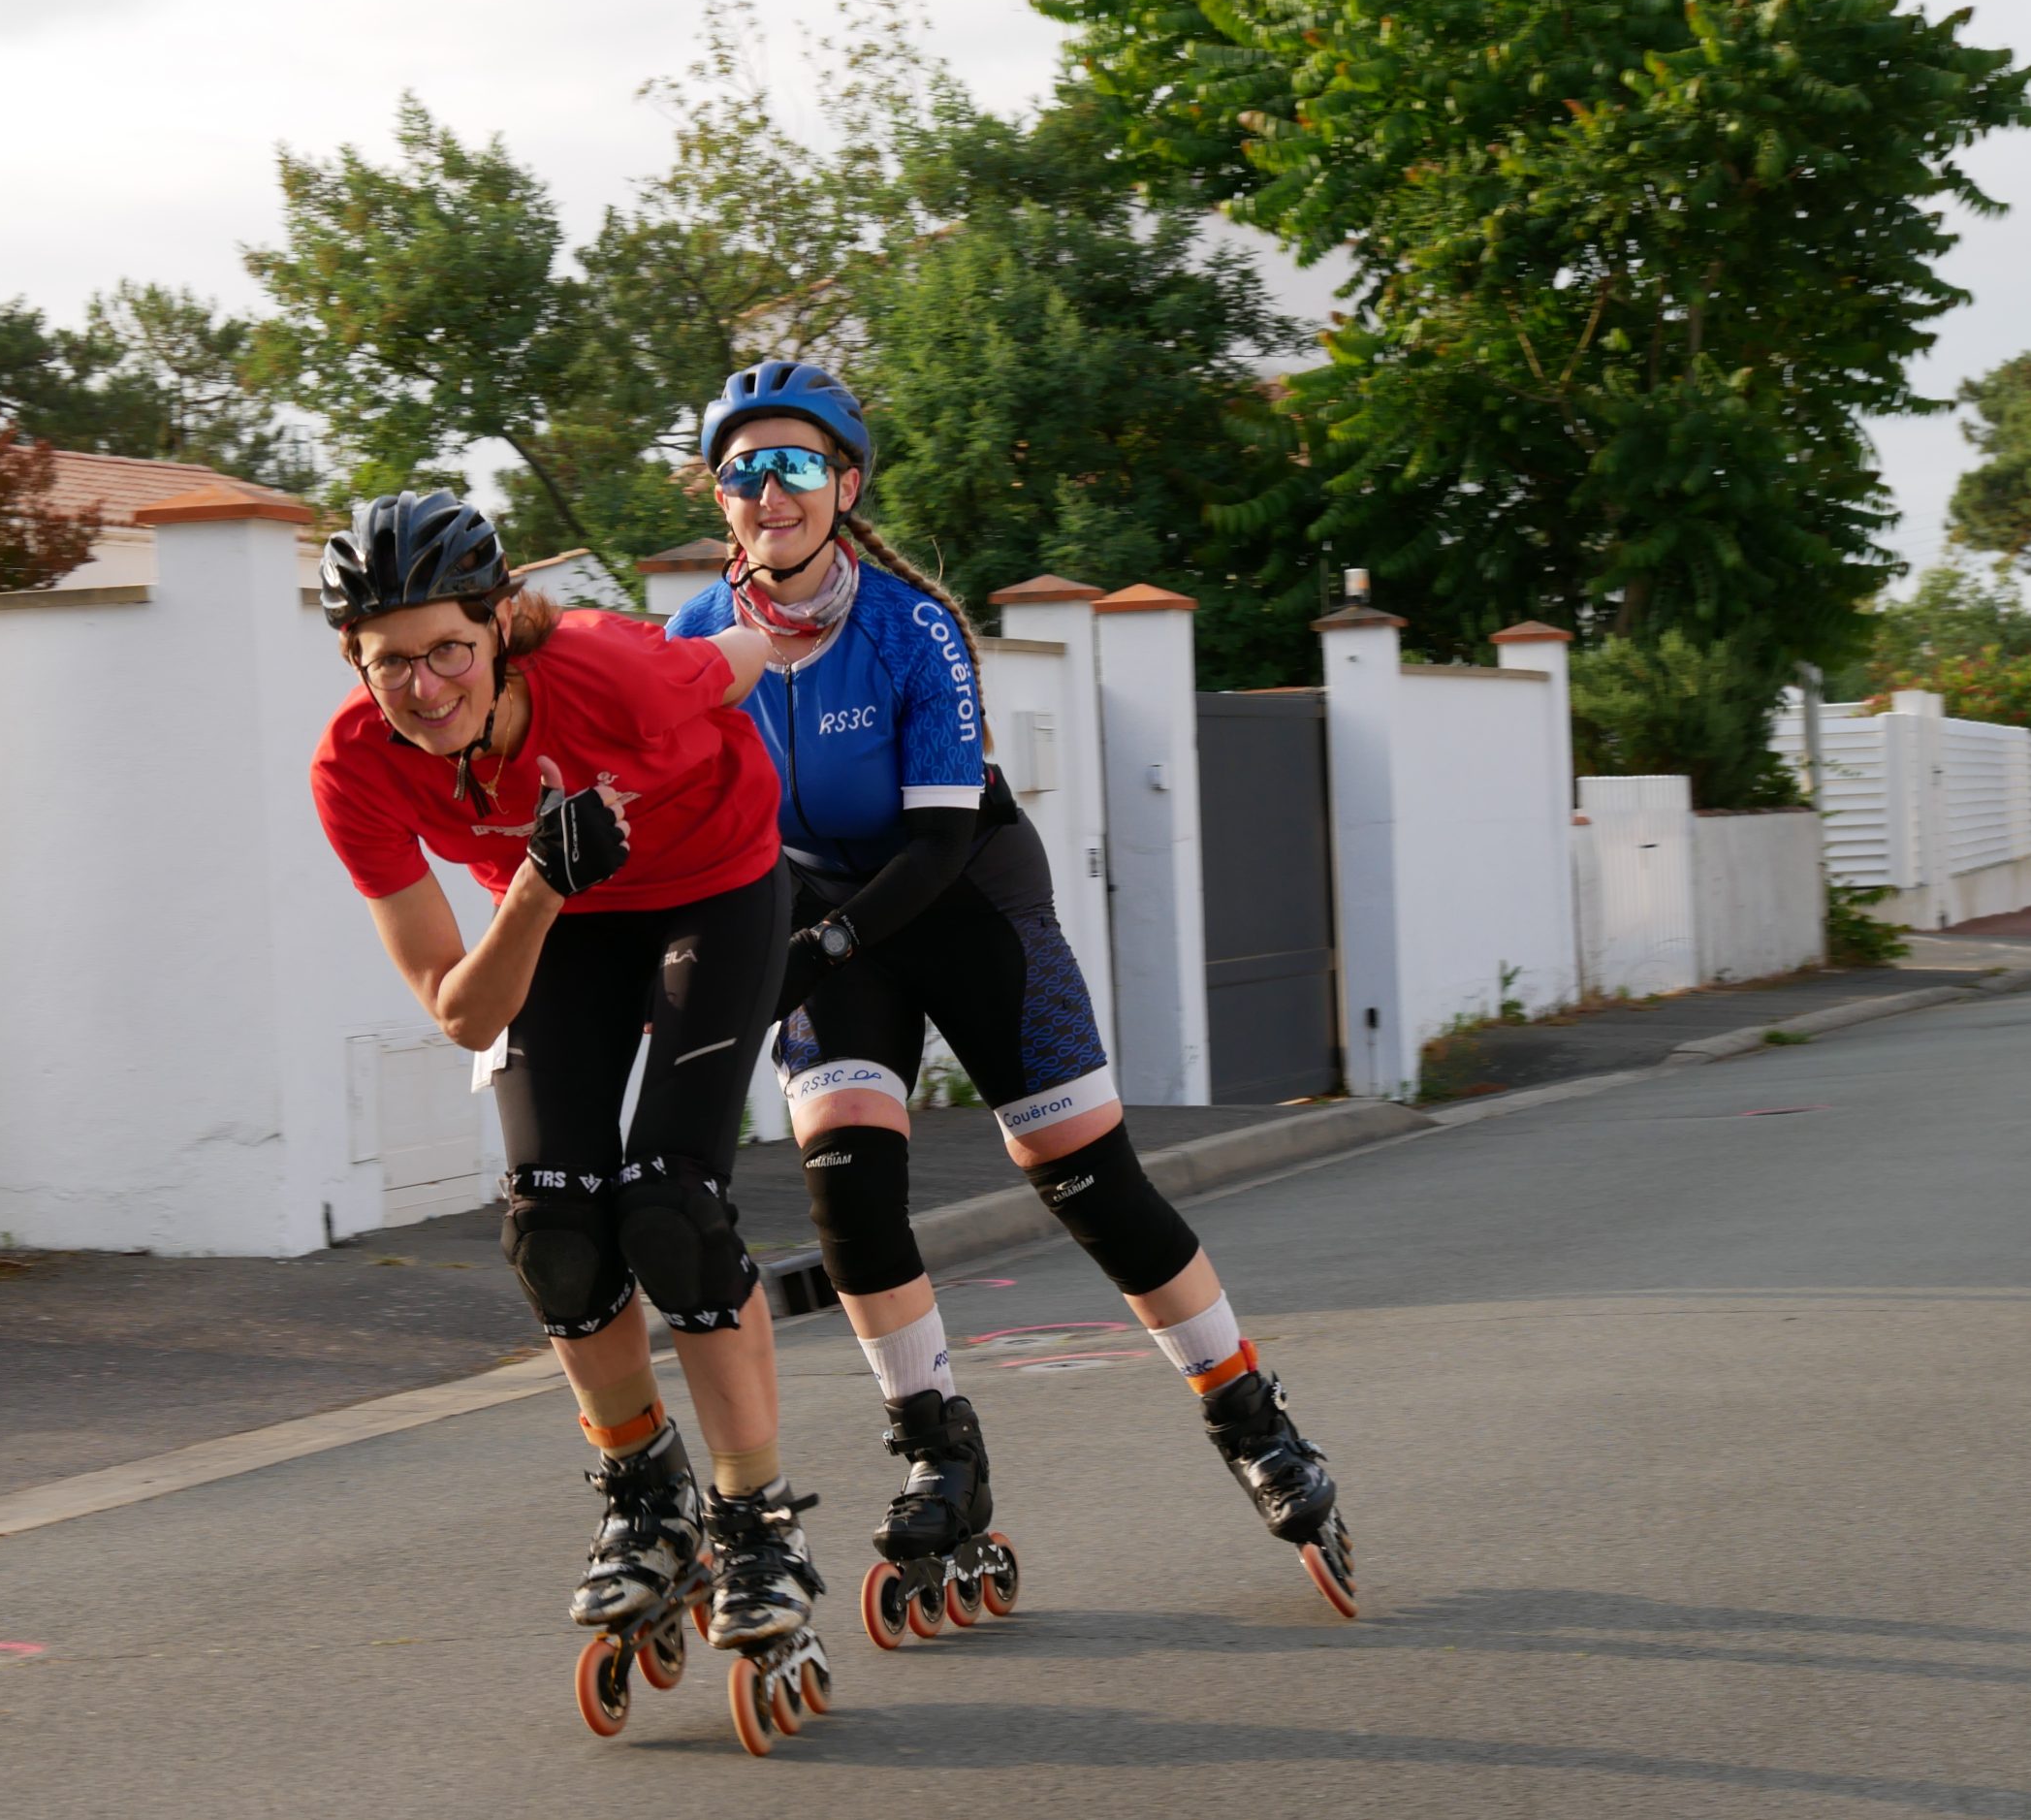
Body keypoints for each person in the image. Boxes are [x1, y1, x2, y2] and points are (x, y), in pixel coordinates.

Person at [664, 363, 1356, 1621]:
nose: (769, 492)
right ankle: (937, 1447)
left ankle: (1250, 1413)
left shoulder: (913, 626)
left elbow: (935, 842)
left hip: (963, 895)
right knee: (845, 1187)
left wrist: (812, 951)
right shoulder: (694, 639)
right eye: (743, 470)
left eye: (797, 466)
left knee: (1086, 1180)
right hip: (821, 913)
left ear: (845, 485)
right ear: (721, 497)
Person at [310, 489, 825, 1652]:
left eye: (448, 649)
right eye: (391, 662)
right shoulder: (353, 768)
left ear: (498, 626)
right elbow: (460, 1010)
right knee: (551, 1222)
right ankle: (645, 1496)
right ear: (354, 660)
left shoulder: (610, 673)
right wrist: (540, 885)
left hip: (715, 883)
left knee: (671, 1206)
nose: (425, 688)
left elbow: (738, 657)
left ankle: (757, 1520)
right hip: (562, 909)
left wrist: (782, 620)